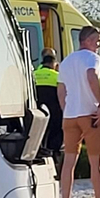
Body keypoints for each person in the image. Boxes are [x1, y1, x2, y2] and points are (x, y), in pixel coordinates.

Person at [57, 26, 100, 198]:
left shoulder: (66, 62)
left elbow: (61, 90)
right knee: (96, 162)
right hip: (90, 114)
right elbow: (91, 76)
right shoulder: (92, 58)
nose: (98, 44)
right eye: (96, 40)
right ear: (87, 40)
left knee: (69, 161)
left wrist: (66, 109)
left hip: (70, 114)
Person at [32, 49, 65, 179]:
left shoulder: (34, 74)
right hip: (55, 114)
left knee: (39, 141)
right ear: (54, 64)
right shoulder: (57, 76)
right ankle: (54, 168)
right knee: (55, 143)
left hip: (38, 114)